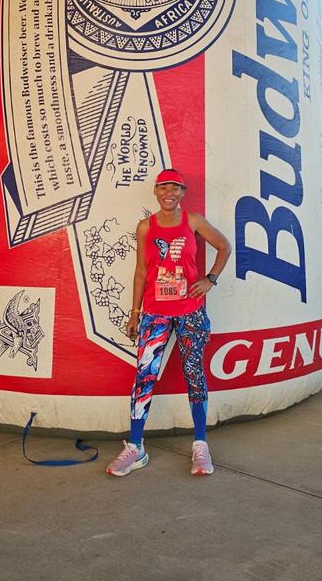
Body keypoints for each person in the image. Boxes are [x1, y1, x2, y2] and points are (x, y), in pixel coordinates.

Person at [106, 168, 231, 477]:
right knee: (144, 375)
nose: (169, 193)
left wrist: (210, 280)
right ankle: (136, 447)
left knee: (194, 373)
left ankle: (200, 444)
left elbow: (224, 246)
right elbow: (140, 272)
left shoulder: (193, 221)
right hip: (155, 311)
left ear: (182, 193)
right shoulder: (145, 227)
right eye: (163, 188)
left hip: (190, 310)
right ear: (156, 192)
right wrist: (134, 313)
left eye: (175, 188)